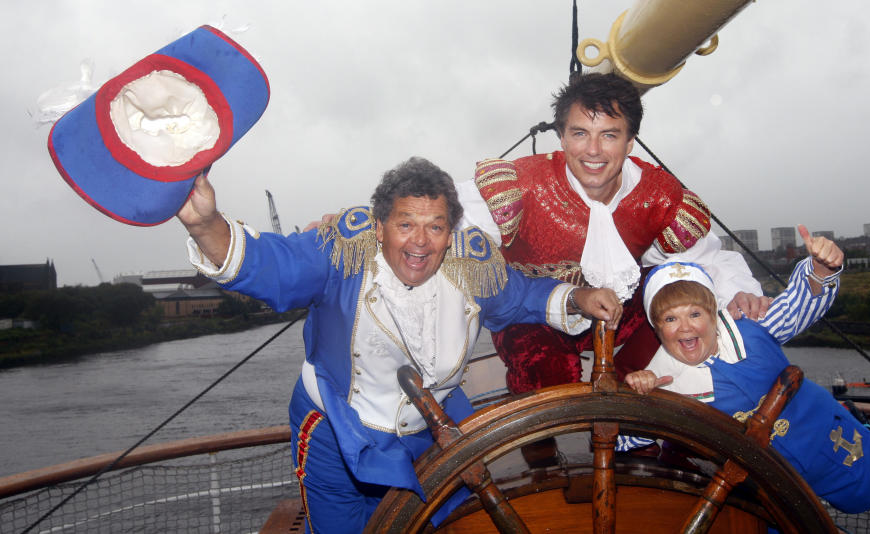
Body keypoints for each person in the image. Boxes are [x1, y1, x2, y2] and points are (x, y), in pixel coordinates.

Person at [176, 157, 624, 533]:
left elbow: (521, 296)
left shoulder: (473, 265)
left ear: (450, 232)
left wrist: (579, 297)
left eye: (435, 227)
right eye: (405, 223)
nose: (420, 242)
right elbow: (270, 264)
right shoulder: (341, 251)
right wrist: (204, 224)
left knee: (430, 524)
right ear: (380, 226)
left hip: (430, 432)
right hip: (337, 428)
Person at [455, 72, 767, 396]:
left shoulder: (659, 195)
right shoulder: (520, 185)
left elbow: (705, 260)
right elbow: (446, 222)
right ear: (561, 137)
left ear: (629, 142)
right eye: (580, 133)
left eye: (609, 135)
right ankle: (541, 447)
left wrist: (739, 294)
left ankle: (632, 400)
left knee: (672, 293)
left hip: (621, 313)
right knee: (548, 372)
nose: (593, 150)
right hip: (533, 317)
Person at [621, 225, 870, 517]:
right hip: (765, 485)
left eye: (695, 313)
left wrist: (821, 270)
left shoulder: (750, 327)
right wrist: (641, 399)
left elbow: (796, 306)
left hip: (826, 435)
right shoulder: (665, 384)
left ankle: (855, 420)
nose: (685, 327)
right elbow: (620, 440)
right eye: (670, 318)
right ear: (657, 329)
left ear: (713, 314)